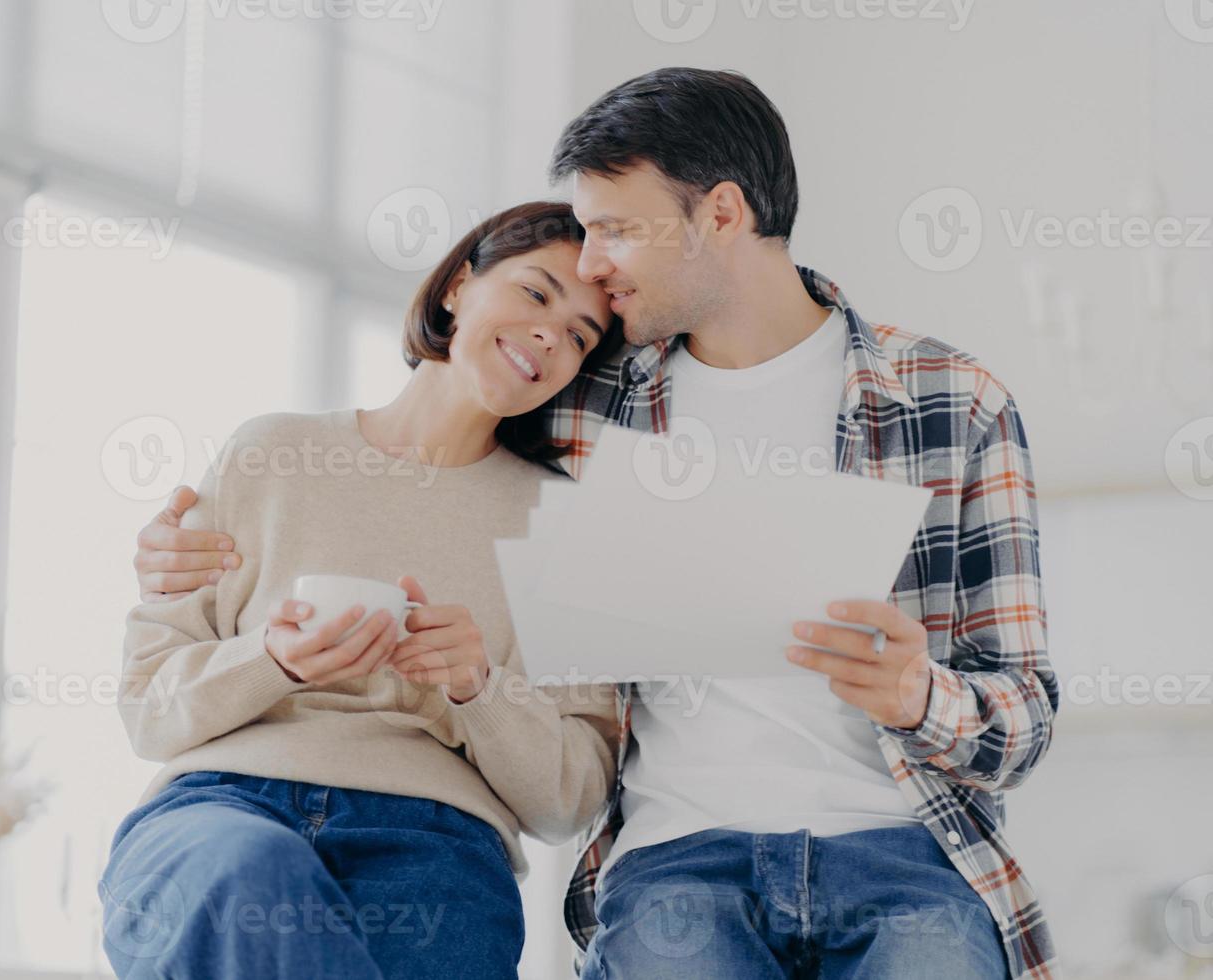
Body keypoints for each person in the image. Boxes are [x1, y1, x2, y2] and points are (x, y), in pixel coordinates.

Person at [135, 68, 1061, 980]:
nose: (592, 264)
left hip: (901, 850)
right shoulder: (587, 407)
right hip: (680, 855)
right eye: (580, 241)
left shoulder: (950, 401)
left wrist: (918, 696)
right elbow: (427, 444)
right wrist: (179, 547)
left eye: (615, 229)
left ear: (723, 216)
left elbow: (1024, 717)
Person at [101, 201, 626, 979]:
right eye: (537, 293)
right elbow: (149, 705)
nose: (553, 333)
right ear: (457, 286)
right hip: (224, 806)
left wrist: (477, 688)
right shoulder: (271, 453)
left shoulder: (569, 530)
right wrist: (272, 660)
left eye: (581, 334)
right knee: (246, 876)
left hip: (435, 843)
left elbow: (570, 798)